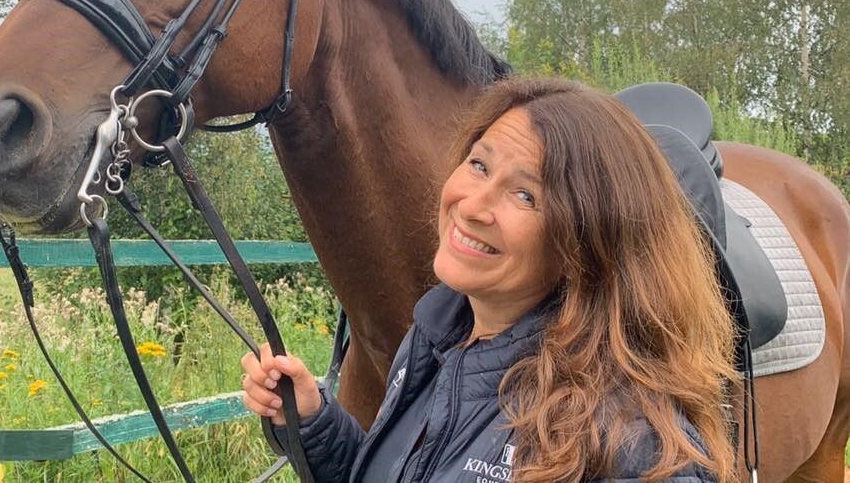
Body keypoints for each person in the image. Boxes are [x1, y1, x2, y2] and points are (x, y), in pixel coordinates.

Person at [241, 76, 738, 483]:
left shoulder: (632, 447)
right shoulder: (436, 340)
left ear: (585, 244)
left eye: (525, 195)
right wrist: (313, 422)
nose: (472, 206)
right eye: (479, 164)